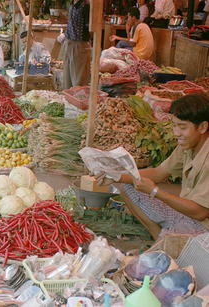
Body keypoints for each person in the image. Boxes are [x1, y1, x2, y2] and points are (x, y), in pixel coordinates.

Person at [94, 93, 209, 240]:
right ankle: (159, 239)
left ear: (203, 127)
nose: (176, 133)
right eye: (174, 125)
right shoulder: (187, 147)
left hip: (203, 226)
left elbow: (200, 212)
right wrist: (116, 176)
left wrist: (155, 192)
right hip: (186, 215)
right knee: (128, 187)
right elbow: (158, 173)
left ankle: (173, 243)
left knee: (185, 242)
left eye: (183, 127)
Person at [63, 0, 91, 90]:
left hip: (79, 45)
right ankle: (68, 102)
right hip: (68, 43)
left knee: (78, 82)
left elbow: (90, 29)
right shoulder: (72, 3)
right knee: (67, 81)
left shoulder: (85, 6)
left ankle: (78, 103)